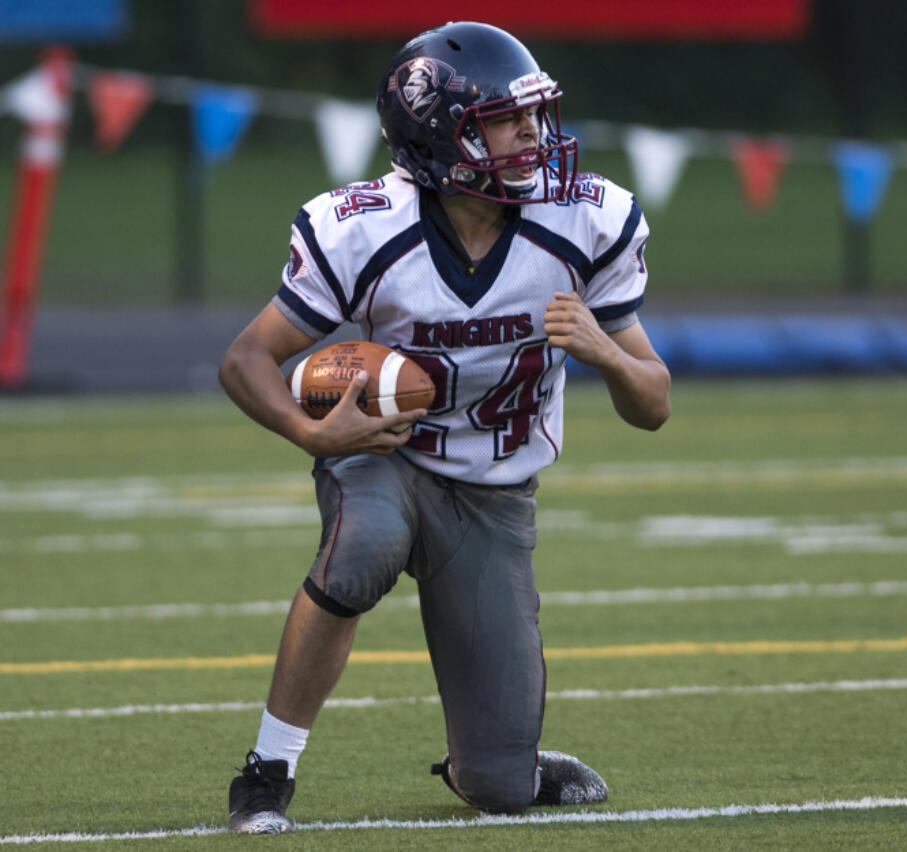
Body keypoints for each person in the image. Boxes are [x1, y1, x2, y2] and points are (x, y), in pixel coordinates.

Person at [217, 20, 671, 834]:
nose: (532, 135)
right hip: (383, 455)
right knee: (362, 549)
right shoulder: (362, 227)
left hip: (494, 496)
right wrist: (311, 433)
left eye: (534, 114)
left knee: (500, 789)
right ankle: (266, 771)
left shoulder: (583, 221)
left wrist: (606, 350)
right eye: (504, 119)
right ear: (437, 136)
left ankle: (498, 761)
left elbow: (654, 405)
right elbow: (248, 359)